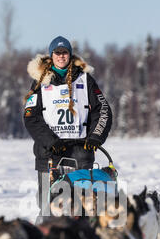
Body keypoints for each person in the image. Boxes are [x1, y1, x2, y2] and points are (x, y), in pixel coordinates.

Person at [23, 36, 112, 222]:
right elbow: (31, 117)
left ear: (70, 55)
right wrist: (50, 141)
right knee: (49, 208)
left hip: (81, 153)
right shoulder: (40, 82)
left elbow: (103, 110)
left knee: (82, 208)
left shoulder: (85, 80)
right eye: (57, 53)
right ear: (51, 55)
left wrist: (96, 137)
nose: (61, 56)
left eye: (65, 53)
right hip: (49, 155)